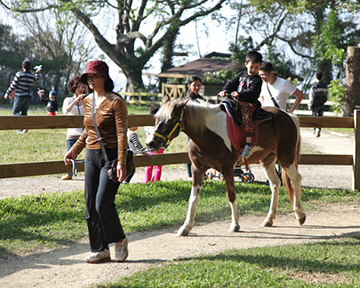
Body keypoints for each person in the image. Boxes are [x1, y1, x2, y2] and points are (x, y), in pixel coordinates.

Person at [64, 60, 129, 263]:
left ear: (105, 78)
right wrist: (74, 151)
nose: (90, 80)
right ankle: (100, 249)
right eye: (88, 77)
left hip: (111, 157)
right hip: (91, 156)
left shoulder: (116, 101)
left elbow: (121, 134)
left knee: (103, 203)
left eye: (95, 76)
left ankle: (118, 239)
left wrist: (121, 161)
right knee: (90, 204)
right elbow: (88, 131)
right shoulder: (88, 101)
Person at [219, 50, 263, 158]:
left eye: (256, 68)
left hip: (249, 103)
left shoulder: (257, 80)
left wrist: (239, 94)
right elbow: (231, 83)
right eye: (251, 67)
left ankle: (248, 143)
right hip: (236, 101)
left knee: (246, 117)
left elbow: (253, 93)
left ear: (260, 67)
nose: (253, 70)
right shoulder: (240, 75)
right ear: (246, 64)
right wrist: (224, 90)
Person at [61, 76, 88, 180]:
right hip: (73, 133)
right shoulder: (68, 100)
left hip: (87, 132)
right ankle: (69, 173)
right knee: (70, 153)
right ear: (73, 88)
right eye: (79, 87)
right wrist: (76, 101)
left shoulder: (88, 100)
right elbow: (66, 111)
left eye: (83, 86)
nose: (81, 89)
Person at [4, 59, 41, 133]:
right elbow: (37, 83)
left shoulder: (19, 74)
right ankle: (22, 128)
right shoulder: (32, 76)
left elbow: (13, 85)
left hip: (19, 96)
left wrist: (7, 93)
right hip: (28, 96)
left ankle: (24, 124)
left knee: (15, 112)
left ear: (23, 66)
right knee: (24, 112)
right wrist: (37, 73)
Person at [185, 75, 205, 177]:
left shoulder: (200, 98)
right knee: (191, 149)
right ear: (189, 86)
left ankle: (200, 170)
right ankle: (190, 173)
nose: (197, 87)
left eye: (198, 85)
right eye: (194, 85)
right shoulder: (189, 99)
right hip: (192, 129)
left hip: (200, 128)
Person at [142, 106, 164, 183]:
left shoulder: (146, 125)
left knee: (148, 165)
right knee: (158, 166)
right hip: (158, 147)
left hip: (148, 146)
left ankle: (146, 180)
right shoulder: (157, 126)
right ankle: (156, 181)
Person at [308, 71, 328, 137]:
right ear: (322, 77)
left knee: (314, 117)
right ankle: (319, 129)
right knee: (320, 118)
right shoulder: (325, 86)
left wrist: (310, 105)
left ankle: (315, 130)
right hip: (322, 104)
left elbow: (311, 97)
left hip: (315, 105)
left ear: (315, 77)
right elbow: (327, 96)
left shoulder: (314, 87)